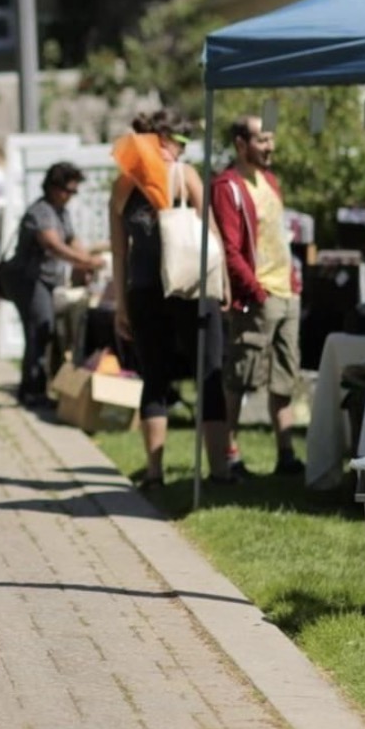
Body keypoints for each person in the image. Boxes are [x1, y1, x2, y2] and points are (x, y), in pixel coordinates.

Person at [109, 109, 235, 489]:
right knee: (208, 372)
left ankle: (155, 472)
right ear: (164, 140)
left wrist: (121, 305)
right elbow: (210, 234)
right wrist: (224, 281)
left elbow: (119, 252)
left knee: (155, 379)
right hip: (191, 286)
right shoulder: (186, 175)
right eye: (179, 142)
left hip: (145, 290)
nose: (181, 149)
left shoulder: (123, 183)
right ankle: (219, 471)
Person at [211, 115, 304, 476]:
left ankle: (286, 454)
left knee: (284, 378)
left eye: (271, 139)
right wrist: (257, 291)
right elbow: (230, 250)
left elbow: (278, 236)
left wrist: (292, 284)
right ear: (240, 143)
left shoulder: (270, 181)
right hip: (258, 297)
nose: (270, 147)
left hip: (287, 293)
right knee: (240, 378)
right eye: (262, 139)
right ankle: (229, 454)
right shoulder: (227, 186)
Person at [2, 161, 104, 409]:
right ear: (52, 187)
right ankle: (33, 391)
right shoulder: (41, 212)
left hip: (45, 280)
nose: (70, 196)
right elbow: (54, 246)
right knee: (40, 329)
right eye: (67, 190)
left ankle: (33, 387)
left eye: (74, 191)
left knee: (43, 331)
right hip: (29, 279)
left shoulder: (61, 211)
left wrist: (85, 263)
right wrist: (87, 261)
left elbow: (72, 240)